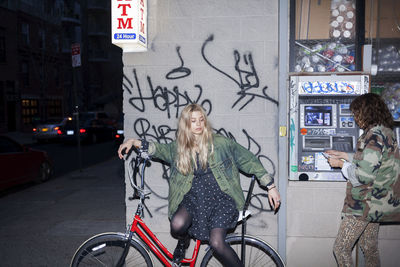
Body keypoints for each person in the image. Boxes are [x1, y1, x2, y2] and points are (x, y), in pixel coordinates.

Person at [118, 103, 281, 266]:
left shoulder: (220, 143)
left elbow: (248, 160)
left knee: (217, 243)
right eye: (193, 121)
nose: (198, 124)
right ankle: (183, 241)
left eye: (201, 120)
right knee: (176, 225)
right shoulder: (178, 148)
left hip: (221, 200)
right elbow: (157, 149)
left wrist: (270, 186)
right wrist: (133, 141)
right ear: (185, 124)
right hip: (194, 198)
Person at [326, 93, 400, 267]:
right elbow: (374, 162)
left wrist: (340, 165)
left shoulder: (373, 136)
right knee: (369, 248)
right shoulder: (386, 132)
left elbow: (363, 176)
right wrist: (345, 156)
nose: (355, 117)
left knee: (341, 248)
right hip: (378, 202)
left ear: (366, 112)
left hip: (365, 204)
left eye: (356, 113)